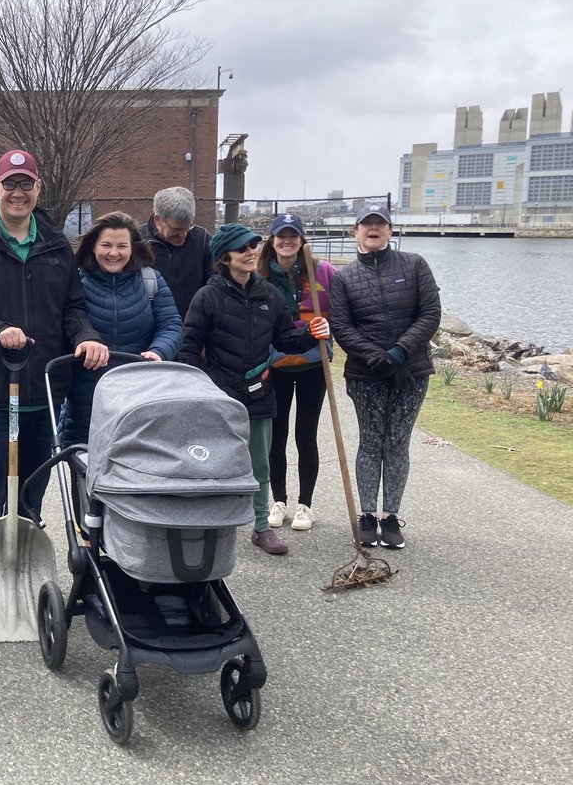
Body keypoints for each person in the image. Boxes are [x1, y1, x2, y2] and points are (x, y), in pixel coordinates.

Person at [0, 148, 108, 565]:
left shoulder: (55, 246)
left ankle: (20, 570)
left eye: (26, 184)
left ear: (37, 188)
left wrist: (86, 335)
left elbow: (72, 308)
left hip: (41, 393)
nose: (18, 192)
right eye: (10, 183)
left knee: (31, 490)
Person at [178, 224, 329, 556]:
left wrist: (311, 333)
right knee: (213, 465)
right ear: (224, 257)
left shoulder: (268, 295)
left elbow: (285, 340)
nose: (250, 252)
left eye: (253, 246)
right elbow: (189, 350)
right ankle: (211, 527)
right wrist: (204, 388)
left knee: (260, 465)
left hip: (259, 393)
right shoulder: (207, 297)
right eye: (242, 247)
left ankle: (261, 529)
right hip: (220, 398)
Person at [329, 204, 441, 549]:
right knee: (371, 440)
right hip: (367, 374)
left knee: (396, 442)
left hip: (410, 371)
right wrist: (374, 355)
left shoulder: (415, 264)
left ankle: (390, 517)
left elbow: (430, 312)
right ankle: (366, 515)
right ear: (356, 232)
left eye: (380, 224)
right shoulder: (344, 278)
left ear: (391, 231)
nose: (373, 229)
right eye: (367, 224)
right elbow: (342, 325)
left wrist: (400, 350)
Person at [59, 211, 183, 445]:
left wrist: (158, 351)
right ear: (93, 247)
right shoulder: (74, 282)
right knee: (85, 469)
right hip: (87, 399)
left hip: (139, 396)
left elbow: (171, 324)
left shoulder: (150, 281)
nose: (113, 253)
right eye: (106, 245)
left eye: (121, 246)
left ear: (133, 249)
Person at [256, 212, 337, 533]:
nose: (287, 241)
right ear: (272, 240)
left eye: (293, 235)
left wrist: (331, 330)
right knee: (275, 437)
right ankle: (279, 500)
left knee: (306, 435)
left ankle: (305, 504)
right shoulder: (261, 277)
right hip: (274, 367)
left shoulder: (323, 272)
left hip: (312, 367)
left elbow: (341, 314)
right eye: (281, 235)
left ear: (302, 239)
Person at [143, 186, 214, 318]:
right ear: (158, 220)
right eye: (176, 229)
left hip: (193, 324)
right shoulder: (137, 243)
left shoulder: (202, 238)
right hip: (152, 327)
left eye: (188, 227)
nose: (183, 235)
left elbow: (214, 283)